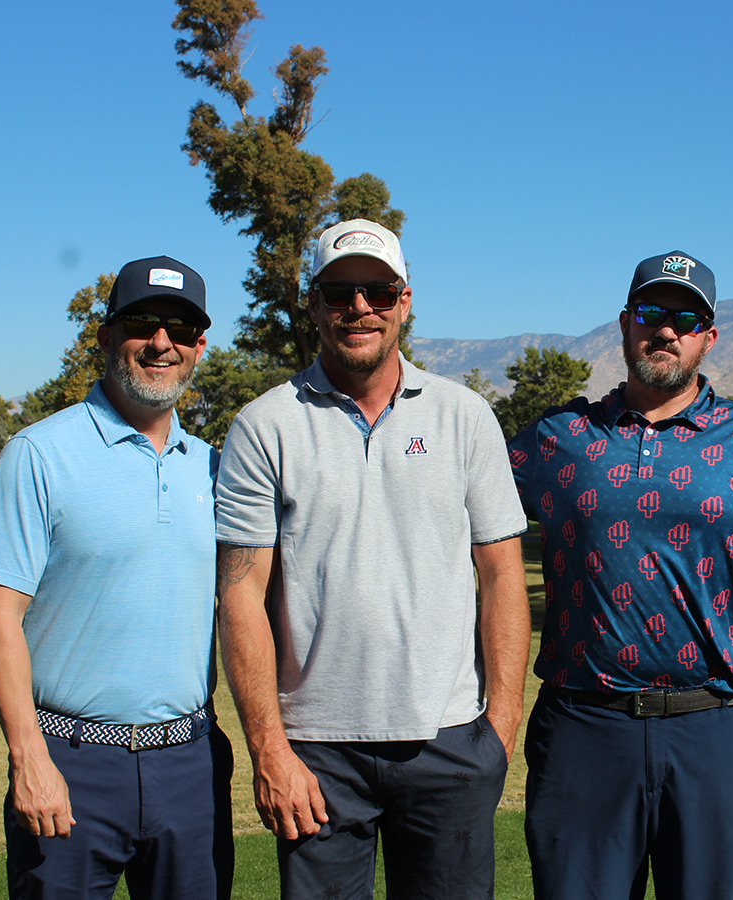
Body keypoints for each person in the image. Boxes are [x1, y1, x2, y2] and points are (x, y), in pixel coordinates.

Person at [214, 219, 530, 900]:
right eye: (339, 292)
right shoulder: (264, 425)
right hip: (316, 753)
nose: (359, 308)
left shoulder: (465, 416)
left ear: (404, 300)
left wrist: (500, 730)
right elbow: (240, 595)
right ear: (313, 303)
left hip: (449, 740)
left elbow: (502, 575)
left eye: (377, 291)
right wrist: (269, 749)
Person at [507, 251, 733, 900]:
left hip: (716, 734)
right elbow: (468, 540)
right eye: (652, 313)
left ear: (708, 337)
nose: (666, 330)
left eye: (686, 318)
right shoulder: (557, 440)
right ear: (625, 324)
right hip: (583, 731)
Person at [0, 256, 231, 899]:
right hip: (70, 762)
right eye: (142, 322)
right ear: (107, 335)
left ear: (199, 345)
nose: (160, 342)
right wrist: (29, 759)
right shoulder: (40, 453)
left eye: (180, 328)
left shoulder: (215, 468)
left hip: (191, 762)